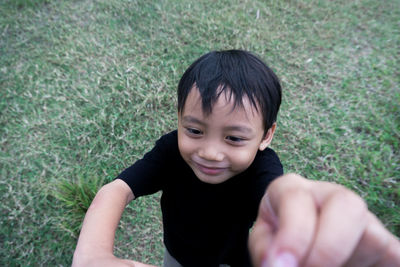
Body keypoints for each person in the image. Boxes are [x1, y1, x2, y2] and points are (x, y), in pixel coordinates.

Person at [72, 50, 400, 267]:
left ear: (266, 136)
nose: (210, 152)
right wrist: (94, 255)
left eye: (234, 138)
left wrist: (303, 211)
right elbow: (116, 190)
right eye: (195, 130)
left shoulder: (264, 167)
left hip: (235, 259)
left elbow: (280, 194)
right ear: (179, 119)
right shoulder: (171, 150)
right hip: (176, 253)